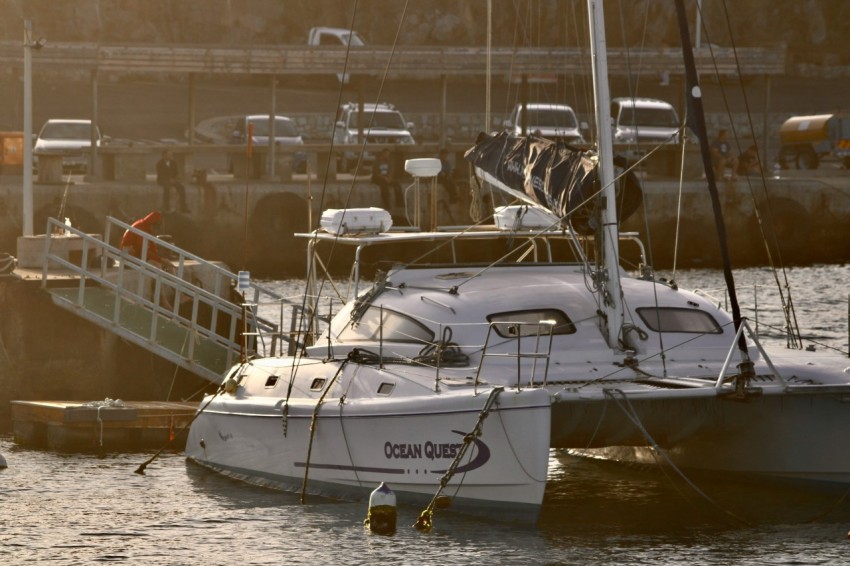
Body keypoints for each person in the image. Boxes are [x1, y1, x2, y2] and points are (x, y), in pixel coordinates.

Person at [120, 211, 176, 307]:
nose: (156, 230)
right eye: (156, 227)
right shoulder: (140, 228)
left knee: (169, 266)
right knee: (156, 266)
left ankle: (178, 294)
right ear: (153, 224)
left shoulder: (146, 228)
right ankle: (162, 300)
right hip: (129, 257)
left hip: (138, 256)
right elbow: (144, 251)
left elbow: (152, 249)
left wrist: (162, 259)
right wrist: (161, 260)